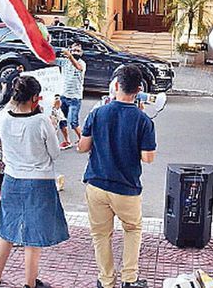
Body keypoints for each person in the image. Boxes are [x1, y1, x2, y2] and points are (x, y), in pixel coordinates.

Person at [78, 65, 157, 288]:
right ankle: (129, 279)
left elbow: (82, 147)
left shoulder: (97, 113)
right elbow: (148, 158)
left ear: (115, 85)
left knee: (101, 235)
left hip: (96, 184)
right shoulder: (143, 120)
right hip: (126, 188)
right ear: (139, 90)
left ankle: (106, 281)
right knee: (132, 230)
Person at [0, 76, 69, 288]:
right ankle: (30, 284)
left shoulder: (2, 116)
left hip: (12, 180)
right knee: (32, 238)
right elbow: (55, 153)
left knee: (6, 231)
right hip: (39, 183)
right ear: (35, 98)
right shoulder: (41, 121)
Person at [55, 42, 86, 149]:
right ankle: (67, 141)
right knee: (62, 120)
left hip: (75, 98)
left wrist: (70, 56)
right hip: (64, 96)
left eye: (78, 51)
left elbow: (78, 67)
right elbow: (50, 60)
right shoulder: (64, 62)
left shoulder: (82, 63)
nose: (75, 52)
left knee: (73, 121)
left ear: (81, 53)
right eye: (73, 50)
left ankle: (82, 140)